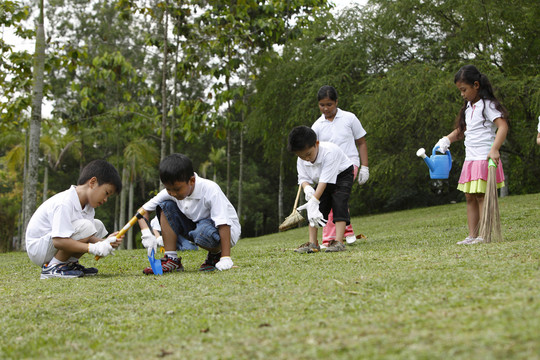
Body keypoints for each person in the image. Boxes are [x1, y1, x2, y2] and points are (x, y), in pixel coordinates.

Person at [434, 65, 509, 245]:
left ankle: (484, 234)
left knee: (481, 196)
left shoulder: (488, 105)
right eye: (460, 91)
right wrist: (447, 140)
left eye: (464, 90)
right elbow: (463, 131)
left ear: (476, 85)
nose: (462, 94)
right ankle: (472, 235)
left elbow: (503, 126)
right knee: (470, 196)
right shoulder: (468, 107)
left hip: (484, 157)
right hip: (471, 159)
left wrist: (495, 148)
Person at [138, 153, 240, 274]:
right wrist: (146, 234)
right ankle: (171, 259)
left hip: (226, 232)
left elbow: (223, 223)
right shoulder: (171, 191)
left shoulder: (210, 189)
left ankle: (216, 255)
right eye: (168, 189)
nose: (173, 193)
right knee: (165, 206)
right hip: (197, 227)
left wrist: (226, 257)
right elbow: (142, 212)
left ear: (192, 181)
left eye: (176, 189)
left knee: (202, 230)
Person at [26, 159, 124, 279]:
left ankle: (69, 264)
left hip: (51, 245)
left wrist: (104, 242)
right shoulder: (64, 202)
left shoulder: (88, 207)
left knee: (96, 225)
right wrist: (93, 248)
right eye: (106, 193)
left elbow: (86, 236)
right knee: (88, 226)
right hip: (38, 249)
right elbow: (59, 241)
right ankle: (53, 267)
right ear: (92, 182)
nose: (105, 199)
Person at [311, 85, 369, 248]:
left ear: (336, 102)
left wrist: (365, 166)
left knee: (339, 197)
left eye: (329, 104)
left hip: (349, 164)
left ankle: (329, 239)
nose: (326, 108)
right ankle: (347, 232)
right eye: (322, 105)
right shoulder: (317, 126)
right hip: (329, 168)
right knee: (336, 199)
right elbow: (313, 151)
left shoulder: (349, 118)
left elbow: (362, 142)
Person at [288, 125, 354, 253]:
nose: (306, 159)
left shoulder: (329, 152)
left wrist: (313, 201)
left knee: (339, 203)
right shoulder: (301, 159)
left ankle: (339, 242)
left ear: (316, 144)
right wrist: (307, 188)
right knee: (316, 209)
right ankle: (313, 243)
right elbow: (303, 178)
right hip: (323, 179)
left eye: (308, 154)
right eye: (302, 156)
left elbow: (324, 182)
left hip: (343, 174)